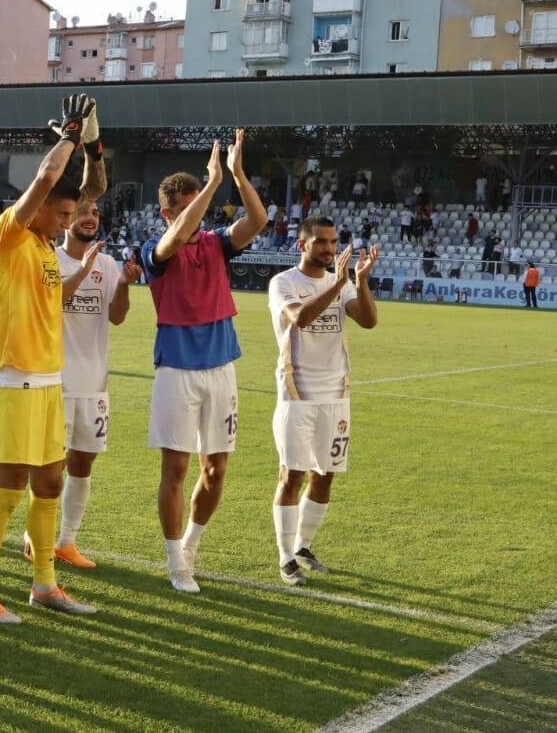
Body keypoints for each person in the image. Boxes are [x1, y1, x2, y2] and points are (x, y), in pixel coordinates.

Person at [0, 95, 106, 625]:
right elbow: (49, 177)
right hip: (16, 381)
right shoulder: (7, 236)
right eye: (64, 213)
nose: (71, 220)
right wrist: (69, 133)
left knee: (50, 484)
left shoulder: (47, 244)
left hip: (49, 381)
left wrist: (92, 144)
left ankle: (43, 583)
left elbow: (90, 188)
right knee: (8, 489)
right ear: (40, 207)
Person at [139, 128, 269, 594]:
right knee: (174, 471)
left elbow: (256, 221)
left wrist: (235, 174)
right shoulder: (155, 251)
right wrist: (211, 185)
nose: (198, 219)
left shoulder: (216, 244)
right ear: (168, 212)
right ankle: (176, 563)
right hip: (176, 372)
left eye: (201, 207)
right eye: (187, 208)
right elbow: (172, 241)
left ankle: (191, 544)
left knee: (215, 470)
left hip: (221, 370)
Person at [20, 199, 136, 568]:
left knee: (83, 465)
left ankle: (67, 542)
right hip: (55, 381)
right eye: (82, 212)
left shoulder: (109, 263)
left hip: (94, 384)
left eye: (96, 213)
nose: (90, 218)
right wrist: (83, 271)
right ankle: (34, 535)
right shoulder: (49, 258)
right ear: (66, 219)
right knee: (50, 467)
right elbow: (50, 306)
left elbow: (116, 318)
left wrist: (124, 284)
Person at [267, 218, 378, 584]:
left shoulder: (339, 282)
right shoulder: (283, 283)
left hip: (336, 394)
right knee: (292, 474)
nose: (330, 249)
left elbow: (368, 321)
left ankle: (303, 546)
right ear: (303, 245)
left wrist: (359, 282)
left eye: (333, 242)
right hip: (297, 393)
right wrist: (340, 284)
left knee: (325, 474)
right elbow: (300, 317)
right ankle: (285, 558)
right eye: (321, 242)